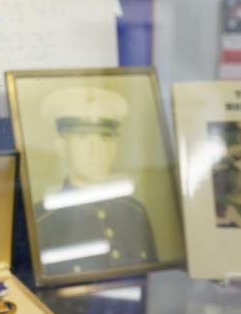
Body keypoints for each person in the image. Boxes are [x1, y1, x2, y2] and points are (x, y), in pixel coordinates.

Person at [35, 86, 157, 276]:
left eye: (104, 139)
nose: (95, 150)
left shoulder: (134, 212)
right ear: (61, 146)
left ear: (114, 147)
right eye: (82, 138)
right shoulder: (41, 221)